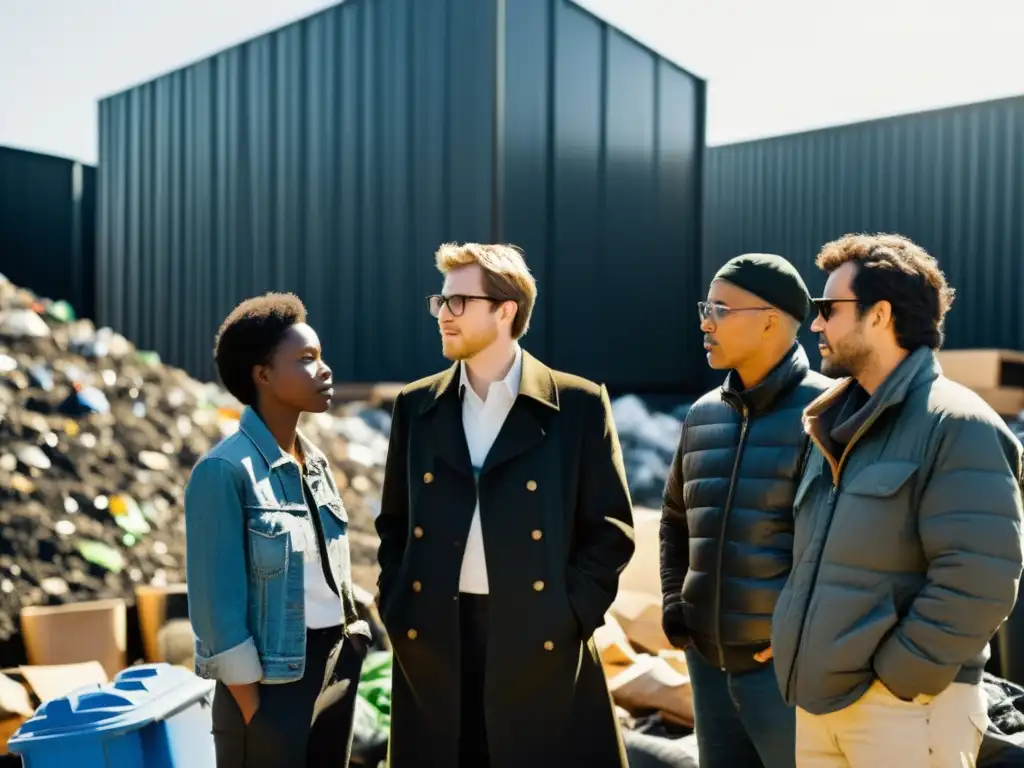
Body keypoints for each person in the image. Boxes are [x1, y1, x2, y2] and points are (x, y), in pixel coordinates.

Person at [375, 242, 636, 768]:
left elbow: (610, 530)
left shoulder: (577, 403)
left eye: (459, 302)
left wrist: (570, 614)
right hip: (434, 635)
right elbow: (394, 525)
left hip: (538, 634)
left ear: (505, 310)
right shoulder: (415, 405)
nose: (443, 316)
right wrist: (397, 605)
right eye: (441, 302)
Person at [770, 233, 1024, 767]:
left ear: (880, 315)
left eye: (827, 309)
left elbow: (981, 577)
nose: (815, 323)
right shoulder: (829, 423)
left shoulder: (958, 424)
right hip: (820, 707)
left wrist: (900, 679)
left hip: (907, 711)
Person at [184, 293, 371, 768]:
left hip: (335, 666)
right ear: (262, 375)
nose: (324, 370)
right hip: (272, 689)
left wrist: (352, 638)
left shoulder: (315, 463)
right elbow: (215, 606)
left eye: (321, 357)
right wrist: (254, 707)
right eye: (306, 360)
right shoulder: (224, 471)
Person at [660, 253, 831, 768]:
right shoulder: (703, 413)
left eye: (720, 309)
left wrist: (799, 634)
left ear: (771, 319)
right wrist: (675, 603)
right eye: (704, 308)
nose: (705, 323)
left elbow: (839, 544)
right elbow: (674, 519)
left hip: (784, 674)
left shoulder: (827, 414)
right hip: (708, 665)